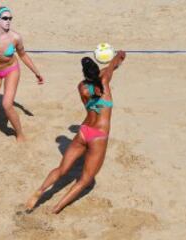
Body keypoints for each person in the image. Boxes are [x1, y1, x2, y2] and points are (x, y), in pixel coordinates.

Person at [26, 50, 126, 213]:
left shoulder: (81, 87)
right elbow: (113, 64)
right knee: (85, 180)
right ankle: (56, 208)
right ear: (98, 72)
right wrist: (120, 55)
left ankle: (41, 190)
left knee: (61, 170)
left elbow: (100, 75)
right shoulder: (105, 82)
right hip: (98, 136)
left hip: (84, 131)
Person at [0, 6, 43, 142]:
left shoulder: (15, 37)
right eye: (5, 18)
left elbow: (23, 55)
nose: (8, 21)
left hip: (11, 70)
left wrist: (36, 73)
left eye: (10, 18)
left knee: (7, 105)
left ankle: (19, 134)